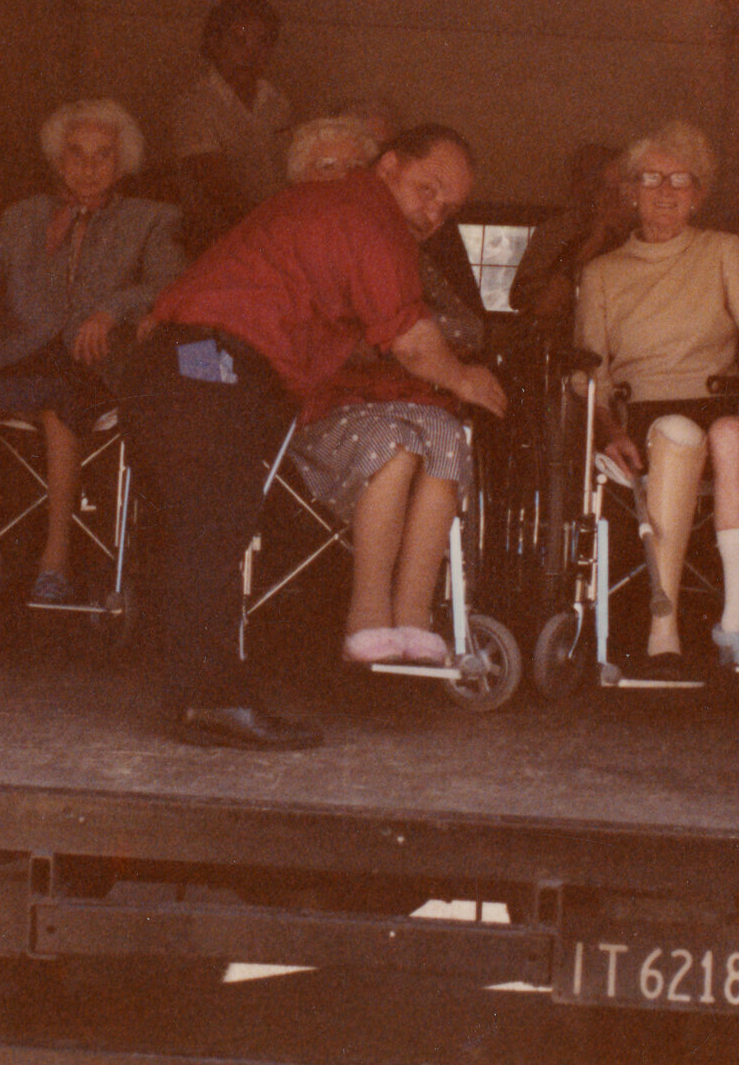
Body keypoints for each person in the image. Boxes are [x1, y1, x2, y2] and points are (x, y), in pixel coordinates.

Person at [121, 123, 508, 750]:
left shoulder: (329, 206)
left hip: (184, 356)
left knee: (194, 528)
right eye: (426, 189)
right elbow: (410, 339)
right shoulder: (369, 217)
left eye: (449, 206)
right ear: (387, 169)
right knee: (214, 528)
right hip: (214, 360)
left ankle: (193, 699)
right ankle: (212, 701)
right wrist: (465, 379)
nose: (433, 211)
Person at [577, 123, 739, 675]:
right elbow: (588, 372)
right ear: (630, 191)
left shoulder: (722, 251)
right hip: (640, 414)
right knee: (679, 433)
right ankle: (662, 626)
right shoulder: (602, 274)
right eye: (650, 178)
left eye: (680, 179)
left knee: (734, 432)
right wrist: (608, 430)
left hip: (716, 401)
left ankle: (737, 620)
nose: (665, 190)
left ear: (699, 193)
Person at [0, 100, 184, 606]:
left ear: (123, 163)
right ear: (58, 159)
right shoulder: (25, 215)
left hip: (94, 360)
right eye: (76, 153)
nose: (89, 166)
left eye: (103, 155)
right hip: (24, 352)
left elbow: (170, 283)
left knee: (60, 406)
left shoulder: (152, 219)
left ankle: (56, 558)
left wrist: (111, 311)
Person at [285, 121, 487, 665]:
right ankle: (368, 613)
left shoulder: (408, 251)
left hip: (410, 404)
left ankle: (415, 616)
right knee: (395, 445)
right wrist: (398, 338)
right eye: (332, 169)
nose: (433, 213)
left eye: (447, 208)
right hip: (329, 408)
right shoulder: (293, 235)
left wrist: (401, 336)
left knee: (447, 438)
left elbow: (470, 327)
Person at [167, 0, 292, 250]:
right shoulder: (194, 105)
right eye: (239, 41)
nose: (251, 54)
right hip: (217, 238)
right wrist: (271, 232)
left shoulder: (278, 101)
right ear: (214, 44)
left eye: (262, 43)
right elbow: (219, 190)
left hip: (273, 232)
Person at [509, 142, 635, 320]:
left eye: (597, 181)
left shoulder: (645, 236)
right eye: (581, 177)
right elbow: (519, 298)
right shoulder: (554, 232)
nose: (588, 187)